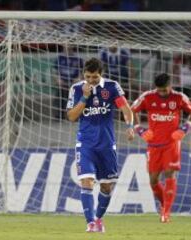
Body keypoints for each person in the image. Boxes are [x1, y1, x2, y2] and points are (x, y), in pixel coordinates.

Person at [66, 58, 134, 232]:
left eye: (94, 77)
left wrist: (130, 126)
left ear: (101, 74)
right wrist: (84, 97)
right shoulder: (76, 89)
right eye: (88, 76)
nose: (91, 80)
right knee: (86, 182)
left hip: (106, 144)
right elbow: (72, 117)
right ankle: (90, 223)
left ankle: (98, 219)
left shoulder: (111, 87)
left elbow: (125, 108)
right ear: (84, 74)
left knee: (106, 186)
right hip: (85, 144)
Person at [131, 73, 191, 223]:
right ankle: (164, 205)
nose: (162, 93)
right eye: (159, 90)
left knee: (169, 174)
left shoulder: (179, 97)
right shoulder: (147, 97)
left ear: (170, 86)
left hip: (171, 144)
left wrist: (185, 128)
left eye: (165, 90)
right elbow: (131, 111)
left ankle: (166, 213)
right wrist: (139, 129)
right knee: (153, 180)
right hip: (153, 144)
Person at [53, 45, 84, 119]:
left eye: (69, 45)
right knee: (60, 95)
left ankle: (74, 114)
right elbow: (54, 71)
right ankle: (59, 114)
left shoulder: (78, 58)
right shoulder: (59, 58)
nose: (67, 47)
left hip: (73, 82)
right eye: (66, 45)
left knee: (75, 96)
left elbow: (82, 72)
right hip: (63, 81)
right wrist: (58, 79)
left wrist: (78, 78)